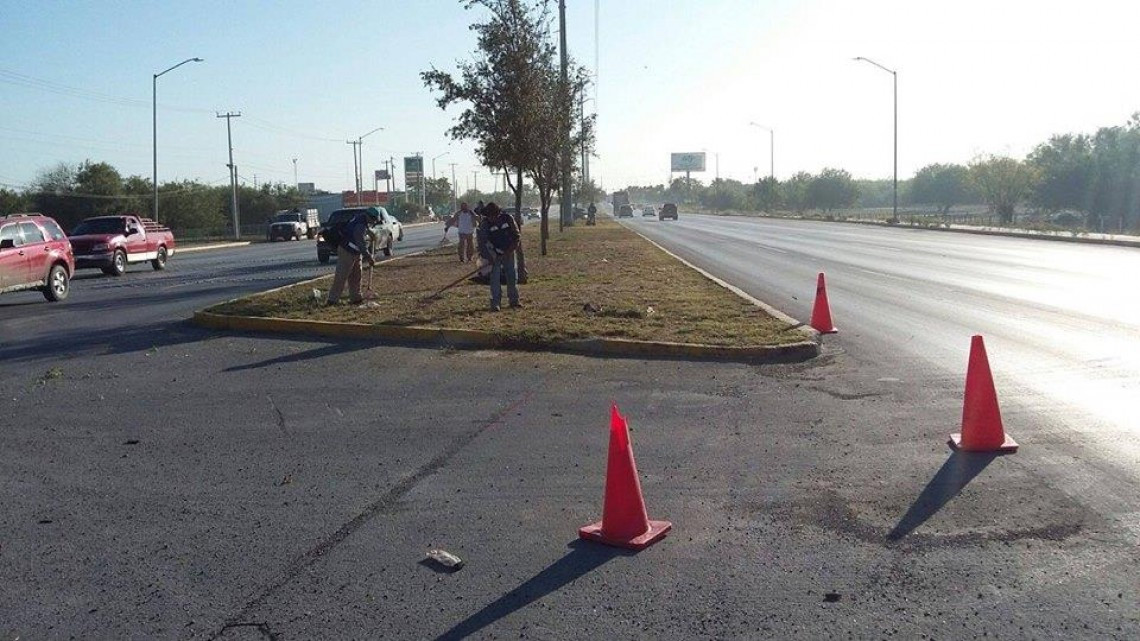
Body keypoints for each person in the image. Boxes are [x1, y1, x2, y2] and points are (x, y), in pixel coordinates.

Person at [326, 207, 380, 306]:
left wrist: (371, 233)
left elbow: (364, 232)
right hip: (347, 251)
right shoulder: (360, 225)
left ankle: (356, 298)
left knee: (356, 276)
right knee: (342, 276)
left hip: (356, 253)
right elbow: (360, 243)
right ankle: (332, 300)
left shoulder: (362, 220)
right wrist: (369, 257)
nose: (374, 221)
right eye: (373, 219)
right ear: (368, 216)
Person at [478, 202, 521, 311]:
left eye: (494, 215)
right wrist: (490, 256)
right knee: (494, 279)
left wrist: (509, 251)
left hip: (509, 252)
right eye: (489, 216)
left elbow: (516, 236)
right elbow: (483, 242)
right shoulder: (485, 224)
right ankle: (495, 303)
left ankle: (514, 301)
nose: (492, 218)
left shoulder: (508, 219)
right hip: (494, 255)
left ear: (498, 214)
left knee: (511, 276)